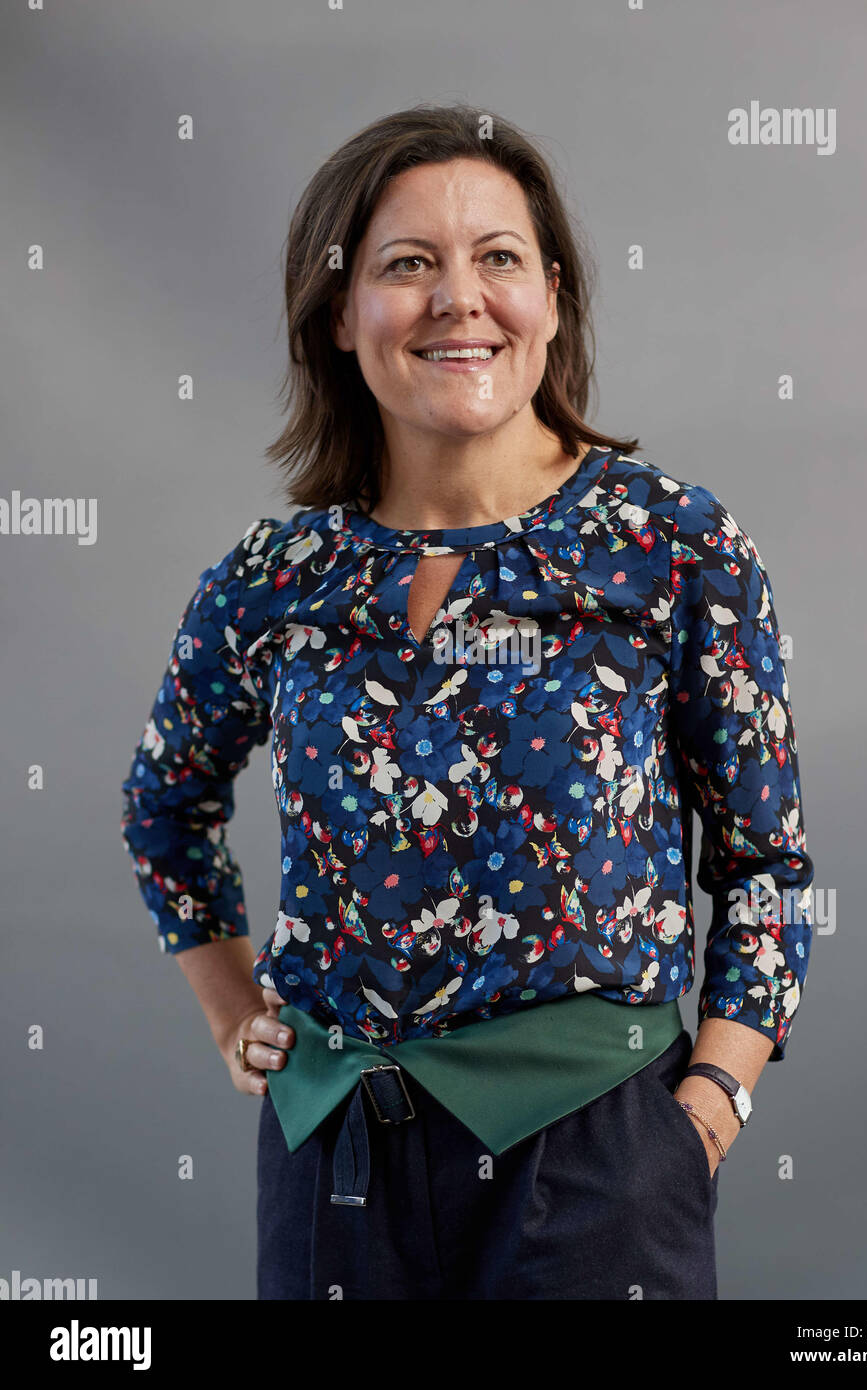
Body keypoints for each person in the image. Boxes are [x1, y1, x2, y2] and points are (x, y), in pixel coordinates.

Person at [120, 102, 815, 1302]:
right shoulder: (273, 579)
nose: (459, 298)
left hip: (598, 1162)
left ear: (551, 296)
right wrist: (236, 1014)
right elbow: (164, 807)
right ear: (340, 315)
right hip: (335, 1162)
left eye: (498, 257)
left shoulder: (672, 544)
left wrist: (707, 1106)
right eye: (406, 265)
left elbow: (766, 861)